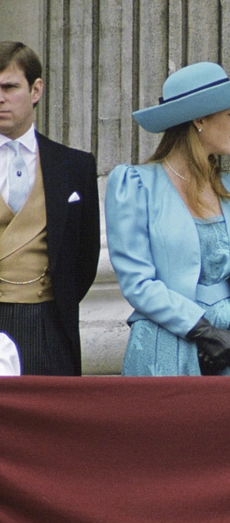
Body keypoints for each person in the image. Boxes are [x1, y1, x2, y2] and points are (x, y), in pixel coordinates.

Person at [106, 62, 230, 376]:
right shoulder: (136, 186)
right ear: (200, 119)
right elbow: (137, 281)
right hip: (165, 344)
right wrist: (202, 331)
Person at [0, 42, 99, 375]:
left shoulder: (75, 166)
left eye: (9, 87)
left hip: (49, 327)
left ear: (36, 89)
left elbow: (85, 258)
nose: (0, 98)